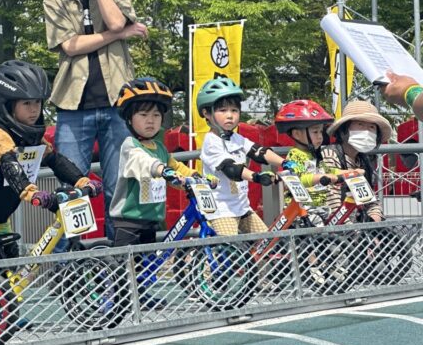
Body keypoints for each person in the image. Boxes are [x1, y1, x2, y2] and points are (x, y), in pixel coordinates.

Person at [43, 0, 147, 239]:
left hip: (119, 104)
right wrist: (120, 34)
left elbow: (115, 20)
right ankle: (68, 266)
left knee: (119, 189)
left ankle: (121, 264)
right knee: (71, 192)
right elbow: (70, 46)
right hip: (73, 107)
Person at [0, 60, 91, 255]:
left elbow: (55, 160)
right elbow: (10, 164)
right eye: (26, 103)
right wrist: (31, 193)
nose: (34, 109)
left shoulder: (32, 137)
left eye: (37, 102)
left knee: (11, 265)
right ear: (8, 106)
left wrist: (82, 180)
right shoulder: (0, 134)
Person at [108, 78, 199, 247]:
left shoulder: (160, 148)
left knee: (149, 262)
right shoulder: (130, 146)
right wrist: (161, 170)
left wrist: (196, 176)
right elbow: (143, 161)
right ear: (129, 119)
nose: (150, 120)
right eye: (143, 115)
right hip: (129, 221)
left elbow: (176, 167)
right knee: (125, 263)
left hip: (151, 221)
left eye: (156, 115)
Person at [197, 77, 288, 236]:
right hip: (221, 211)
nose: (230, 115)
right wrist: (257, 177)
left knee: (267, 242)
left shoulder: (235, 138)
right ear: (207, 113)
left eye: (234, 110)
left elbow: (258, 151)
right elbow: (231, 169)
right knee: (229, 246)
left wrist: (285, 162)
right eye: (223, 110)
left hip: (242, 208)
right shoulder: (211, 142)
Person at [274, 100, 360, 224]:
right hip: (302, 209)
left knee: (343, 223)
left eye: (321, 132)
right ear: (297, 134)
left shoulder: (315, 155)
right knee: (319, 227)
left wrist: (349, 172)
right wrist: (319, 177)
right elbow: (296, 179)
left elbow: (329, 171)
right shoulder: (295, 155)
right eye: (315, 132)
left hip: (321, 206)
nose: (320, 136)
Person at [321, 100, 390, 223]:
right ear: (344, 129)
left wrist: (374, 221)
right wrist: (352, 230)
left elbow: (370, 201)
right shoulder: (330, 156)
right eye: (360, 124)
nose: (367, 131)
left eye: (372, 127)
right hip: (336, 227)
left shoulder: (363, 161)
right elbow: (332, 203)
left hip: (358, 226)